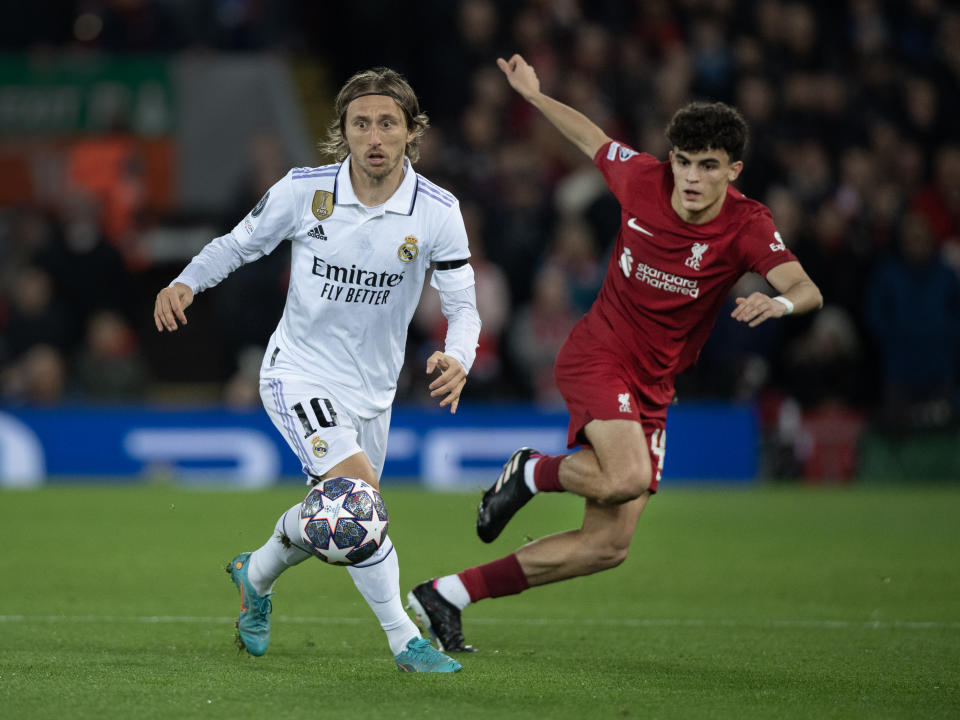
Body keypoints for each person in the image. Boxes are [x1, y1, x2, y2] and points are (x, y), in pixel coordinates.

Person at [406, 54, 823, 653]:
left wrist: (779, 306)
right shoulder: (642, 178)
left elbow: (806, 289)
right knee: (625, 477)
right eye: (684, 162)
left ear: (732, 171)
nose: (691, 179)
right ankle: (531, 471)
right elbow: (591, 137)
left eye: (708, 167)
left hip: (655, 382)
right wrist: (533, 96)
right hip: (598, 354)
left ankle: (448, 594)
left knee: (608, 546)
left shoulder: (748, 225)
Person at [154, 67, 481, 673]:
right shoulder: (306, 191)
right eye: (362, 124)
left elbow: (464, 306)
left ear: (412, 132)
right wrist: (185, 281)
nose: (375, 136)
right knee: (356, 504)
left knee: (340, 518)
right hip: (297, 372)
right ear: (344, 132)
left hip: (374, 392)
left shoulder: (437, 211)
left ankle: (254, 574)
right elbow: (238, 243)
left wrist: (458, 356)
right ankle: (404, 640)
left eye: (388, 123)